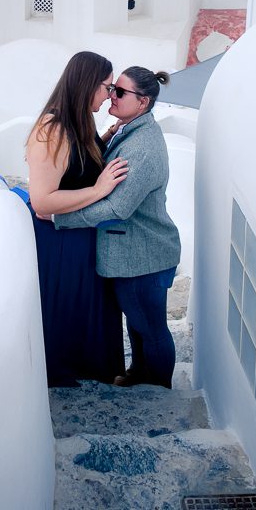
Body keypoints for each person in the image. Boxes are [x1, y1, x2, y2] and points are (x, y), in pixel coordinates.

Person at [54, 66, 181, 388]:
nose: (112, 95)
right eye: (112, 89)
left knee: (150, 328)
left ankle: (157, 390)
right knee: (137, 325)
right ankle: (139, 374)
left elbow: (117, 208)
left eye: (120, 92)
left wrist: (59, 217)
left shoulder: (142, 148)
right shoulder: (130, 130)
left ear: (143, 103)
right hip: (136, 252)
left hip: (144, 254)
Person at [27, 51, 129, 387]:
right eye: (107, 87)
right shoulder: (51, 129)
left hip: (78, 238)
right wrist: (100, 190)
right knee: (67, 314)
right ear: (87, 85)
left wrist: (103, 140)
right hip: (60, 244)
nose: (110, 95)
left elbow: (73, 168)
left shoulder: (79, 121)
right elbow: (43, 199)